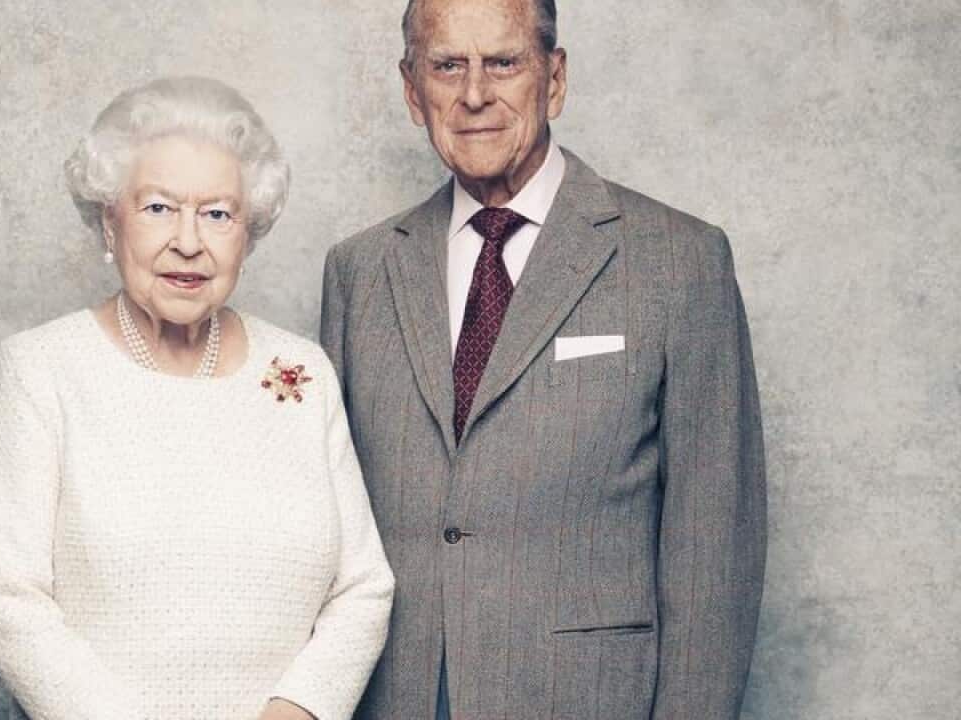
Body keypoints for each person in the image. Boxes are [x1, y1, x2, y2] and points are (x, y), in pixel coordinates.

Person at [320, 1, 767, 718]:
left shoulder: (679, 262)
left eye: (503, 62)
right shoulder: (359, 272)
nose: (474, 94)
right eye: (446, 66)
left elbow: (714, 552)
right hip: (394, 697)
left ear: (553, 79)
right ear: (412, 89)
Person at [0, 76, 394, 720]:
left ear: (247, 236)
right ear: (109, 221)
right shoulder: (42, 369)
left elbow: (364, 587)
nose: (189, 242)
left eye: (218, 214)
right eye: (159, 208)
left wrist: (298, 711)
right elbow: (9, 601)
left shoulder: (301, 372)